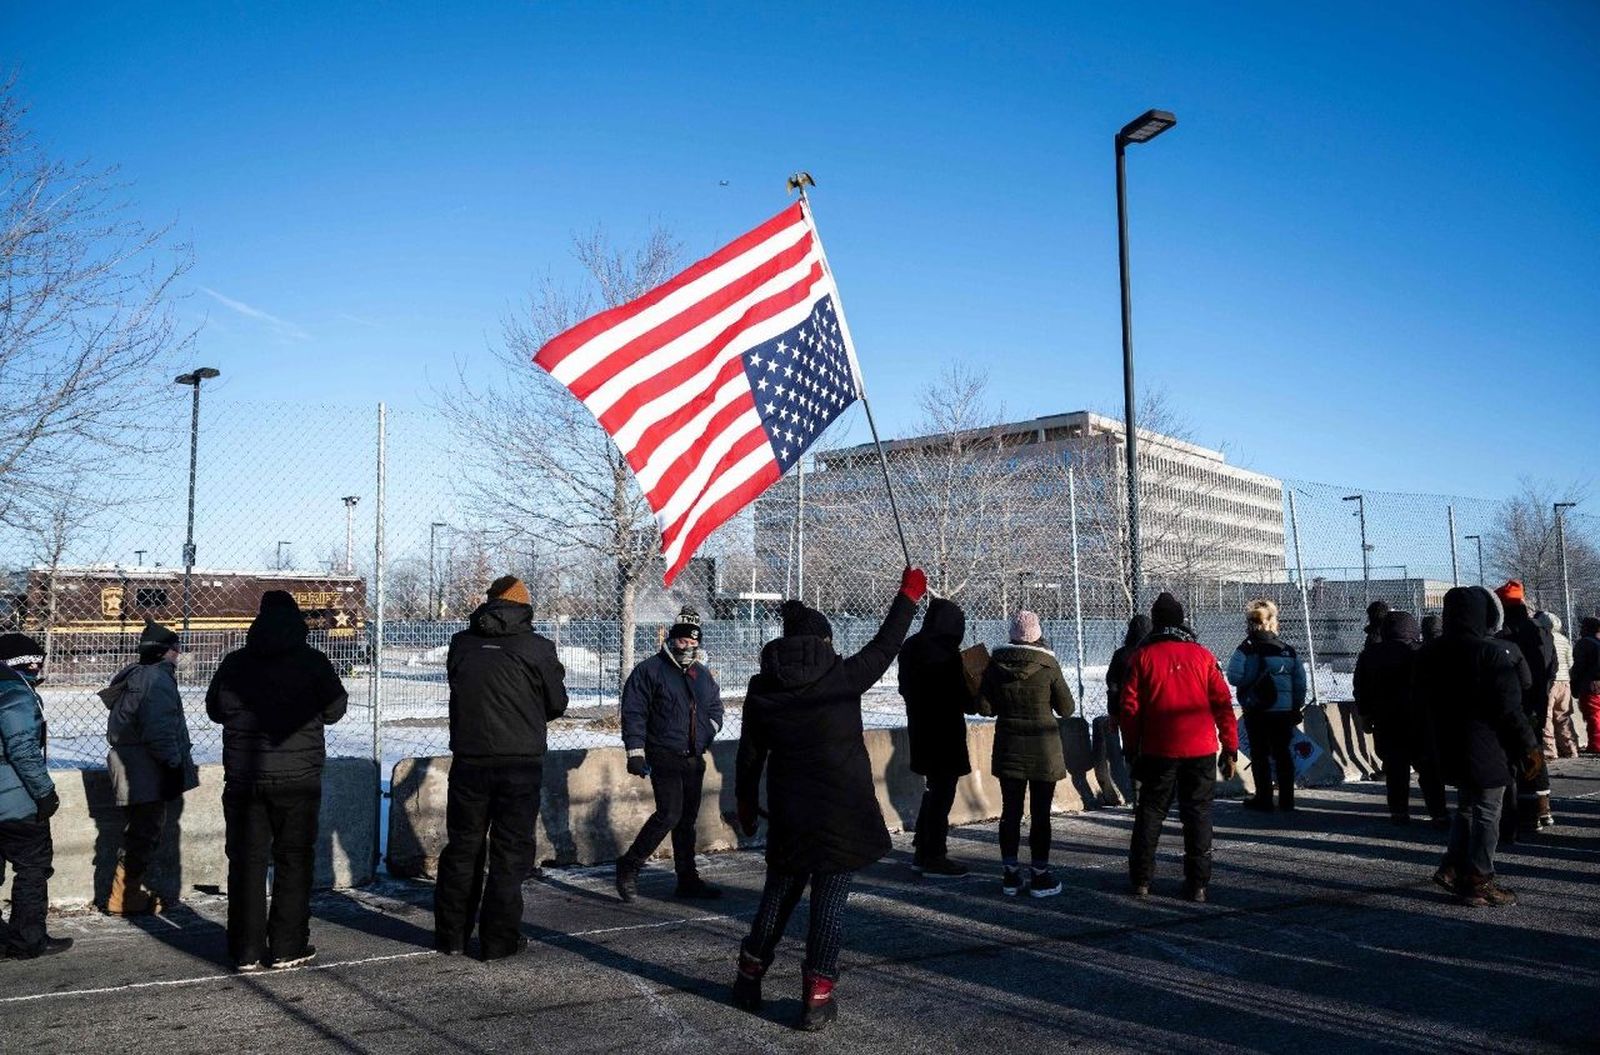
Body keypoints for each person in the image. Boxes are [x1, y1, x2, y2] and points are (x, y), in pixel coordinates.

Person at [732, 568, 925, 1032]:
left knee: (779, 894)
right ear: (823, 641)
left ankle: (748, 976)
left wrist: (745, 806)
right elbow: (886, 644)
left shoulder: (763, 690)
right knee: (830, 901)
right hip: (841, 811)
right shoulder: (840, 676)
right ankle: (817, 997)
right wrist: (908, 597)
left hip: (791, 812)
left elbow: (749, 756)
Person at [205, 591, 349, 970]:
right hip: (298, 779)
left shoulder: (235, 662)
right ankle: (288, 945)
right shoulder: (313, 662)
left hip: (245, 778)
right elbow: (335, 709)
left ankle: (245, 949)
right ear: (297, 620)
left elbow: (214, 710)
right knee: (294, 860)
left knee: (246, 862)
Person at [433, 576, 568, 961]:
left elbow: (460, 685)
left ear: (489, 603)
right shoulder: (537, 648)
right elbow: (557, 703)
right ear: (525, 608)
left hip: (470, 759)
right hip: (519, 762)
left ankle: (451, 936)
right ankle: (498, 940)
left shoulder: (462, 643)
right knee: (510, 853)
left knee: (463, 846)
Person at [1418, 586, 1541, 906]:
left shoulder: (1431, 652)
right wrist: (1529, 747)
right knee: (1488, 810)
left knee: (1467, 807)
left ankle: (1452, 866)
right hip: (1485, 745)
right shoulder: (1491, 652)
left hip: (1446, 743)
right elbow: (1509, 710)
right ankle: (1478, 878)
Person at [1120, 592, 1236, 903]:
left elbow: (1129, 708)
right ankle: (1197, 883)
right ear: (1182, 621)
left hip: (1159, 748)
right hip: (1200, 749)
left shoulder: (1142, 657)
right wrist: (1230, 746)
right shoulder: (1203, 655)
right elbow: (1223, 704)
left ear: (1155, 623)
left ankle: (1141, 878)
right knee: (1198, 814)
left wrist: (1131, 748)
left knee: (1151, 812)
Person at [615, 606, 723, 902]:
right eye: (683, 641)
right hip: (663, 753)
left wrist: (707, 731)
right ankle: (629, 866)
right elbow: (634, 712)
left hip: (693, 757)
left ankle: (687, 879)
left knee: (687, 820)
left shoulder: (701, 674)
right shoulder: (650, 670)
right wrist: (635, 752)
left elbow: (715, 708)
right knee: (669, 814)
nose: (688, 646)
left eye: (693, 642)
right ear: (672, 639)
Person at [99, 620, 198, 915]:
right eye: (176, 648)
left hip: (134, 765)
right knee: (144, 831)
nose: (179, 653)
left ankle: (125, 893)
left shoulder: (142, 676)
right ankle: (123, 897)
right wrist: (171, 766)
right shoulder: (156, 680)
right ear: (168, 651)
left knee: (140, 831)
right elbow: (160, 731)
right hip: (145, 768)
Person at [976, 609, 1074, 898]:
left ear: (1011, 634)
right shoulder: (1048, 666)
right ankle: (1040, 874)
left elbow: (985, 709)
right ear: (1038, 634)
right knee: (1040, 815)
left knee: (1011, 812)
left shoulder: (994, 666)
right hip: (1044, 750)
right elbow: (1066, 708)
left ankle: (1010, 875)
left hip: (1009, 749)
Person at [0, 634, 70, 958]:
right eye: (36, 659)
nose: (41, 665)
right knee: (32, 868)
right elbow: (24, 750)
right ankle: (27, 941)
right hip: (16, 802)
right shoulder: (15, 692)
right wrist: (45, 794)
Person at [897, 597, 978, 879]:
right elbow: (965, 699)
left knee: (933, 791)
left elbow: (904, 689)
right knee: (942, 795)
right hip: (945, 733)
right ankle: (934, 854)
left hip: (920, 730)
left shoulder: (910, 648)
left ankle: (923, 849)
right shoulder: (947, 654)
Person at [1353, 610, 1448, 827]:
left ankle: (1399, 812)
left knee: (1396, 769)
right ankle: (1438, 813)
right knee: (1429, 770)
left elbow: (1361, 688)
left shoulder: (1370, 655)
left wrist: (1366, 715)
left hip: (1386, 720)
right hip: (1421, 720)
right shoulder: (1421, 651)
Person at [1226, 599, 1308, 814]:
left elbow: (1234, 677)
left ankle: (1264, 798)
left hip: (1257, 709)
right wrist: (1295, 706)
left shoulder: (1246, 649)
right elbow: (1300, 682)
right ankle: (1287, 800)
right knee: (1283, 753)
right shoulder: (1287, 650)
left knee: (1260, 754)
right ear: (1273, 622)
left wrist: (1251, 677)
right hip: (1283, 712)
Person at [1493, 581, 1556, 831]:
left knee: (1512, 755)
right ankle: (1542, 808)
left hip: (1514, 703)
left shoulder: (1506, 636)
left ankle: (1521, 811)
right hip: (1537, 703)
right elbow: (1553, 668)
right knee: (1533, 751)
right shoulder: (1543, 633)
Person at [1534, 611, 1579, 759]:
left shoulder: (1543, 638)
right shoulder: (1564, 640)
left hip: (1549, 681)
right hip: (1565, 681)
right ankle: (1570, 749)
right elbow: (1571, 662)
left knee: (1546, 716)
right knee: (1563, 715)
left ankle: (1550, 751)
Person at [1574, 617, 1600, 755]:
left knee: (1593, 715)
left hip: (1590, 685)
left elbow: (1579, 667)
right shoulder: (1597, 642)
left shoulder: (1584, 644)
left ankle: (1596, 744)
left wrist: (1575, 683)